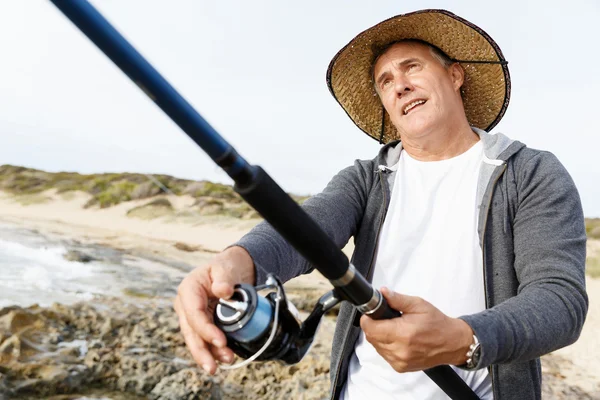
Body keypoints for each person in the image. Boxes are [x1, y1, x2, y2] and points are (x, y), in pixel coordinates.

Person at [174, 9, 588, 400]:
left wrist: (463, 338)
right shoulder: (366, 179)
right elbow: (303, 230)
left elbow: (559, 299)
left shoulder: (530, 172)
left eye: (412, 67)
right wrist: (233, 264)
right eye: (386, 80)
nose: (399, 85)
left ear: (456, 74)